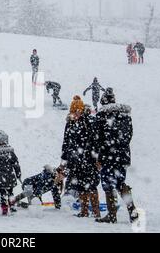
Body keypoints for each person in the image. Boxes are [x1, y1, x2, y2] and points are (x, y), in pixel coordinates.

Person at [94, 88, 139, 224]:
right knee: (120, 183)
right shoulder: (126, 116)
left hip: (108, 156)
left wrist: (100, 157)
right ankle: (133, 211)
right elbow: (129, 135)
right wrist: (121, 148)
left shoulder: (102, 115)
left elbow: (98, 138)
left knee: (108, 185)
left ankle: (112, 215)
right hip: (122, 156)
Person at [59, 96, 100, 218]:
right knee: (81, 186)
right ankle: (84, 210)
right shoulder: (69, 124)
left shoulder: (89, 122)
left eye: (77, 111)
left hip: (89, 159)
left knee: (91, 185)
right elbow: (65, 143)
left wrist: (97, 158)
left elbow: (96, 142)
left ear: (81, 111)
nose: (74, 114)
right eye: (73, 112)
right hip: (75, 160)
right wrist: (64, 160)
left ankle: (96, 211)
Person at [0, 130, 22, 216]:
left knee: (2, 193)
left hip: (0, 178)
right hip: (10, 176)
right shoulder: (10, 152)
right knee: (11, 192)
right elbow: (16, 164)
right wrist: (18, 174)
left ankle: (4, 208)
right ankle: (12, 206)